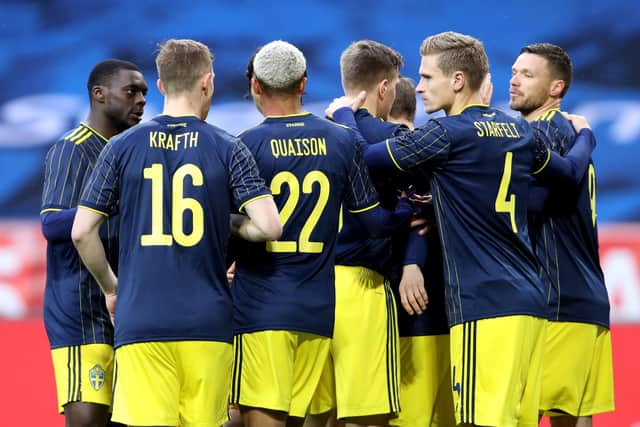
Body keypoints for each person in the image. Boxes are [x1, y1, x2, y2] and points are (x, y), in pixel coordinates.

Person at [327, 31, 597, 427]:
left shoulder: (446, 134)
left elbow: (366, 158)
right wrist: (587, 135)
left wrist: (345, 116)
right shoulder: (519, 131)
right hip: (532, 306)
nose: (418, 87)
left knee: (475, 421)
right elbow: (571, 172)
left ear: (457, 81)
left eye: (427, 77)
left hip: (482, 305)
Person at [71, 38, 281, 427]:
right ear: (208, 82)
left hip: (142, 320)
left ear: (162, 86)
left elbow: (82, 231)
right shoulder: (228, 147)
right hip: (208, 323)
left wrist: (111, 288)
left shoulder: (120, 147)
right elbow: (270, 226)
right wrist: (230, 222)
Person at [230, 40, 415, 427]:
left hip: (262, 302)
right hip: (320, 304)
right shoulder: (341, 141)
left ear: (256, 87)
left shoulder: (243, 144)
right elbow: (376, 224)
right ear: (304, 84)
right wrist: (408, 205)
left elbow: (224, 223)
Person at [510, 43, 614, 427]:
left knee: (522, 412)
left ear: (556, 88)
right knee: (572, 415)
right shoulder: (570, 132)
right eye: (514, 72)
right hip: (584, 296)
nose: (514, 81)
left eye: (527, 74)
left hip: (553, 297)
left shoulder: (540, 134)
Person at [40, 58, 147, 427]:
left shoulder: (129, 151)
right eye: (131, 91)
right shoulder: (73, 149)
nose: (142, 100)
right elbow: (52, 224)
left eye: (145, 92)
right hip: (82, 314)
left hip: (125, 311)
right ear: (99, 95)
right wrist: (112, 204)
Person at [307, 39, 406, 427]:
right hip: (362, 287)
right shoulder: (390, 137)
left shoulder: (310, 136)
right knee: (364, 417)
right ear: (384, 87)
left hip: (312, 286)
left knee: (315, 415)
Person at [387, 76, 456, 427]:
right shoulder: (443, 156)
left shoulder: (396, 153)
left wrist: (411, 262)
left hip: (407, 313)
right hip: (449, 307)